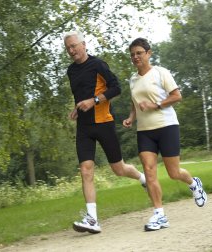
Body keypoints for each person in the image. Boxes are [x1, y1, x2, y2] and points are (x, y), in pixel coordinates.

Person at [63, 30, 146, 234]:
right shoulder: (70, 71)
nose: (71, 50)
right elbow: (81, 94)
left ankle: (141, 177)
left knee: (118, 169)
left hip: (103, 123)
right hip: (84, 127)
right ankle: (92, 219)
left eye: (74, 46)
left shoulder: (98, 64)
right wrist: (77, 107)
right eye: (68, 48)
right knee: (86, 170)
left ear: (83, 44)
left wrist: (94, 101)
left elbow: (116, 88)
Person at [123, 37, 208, 231]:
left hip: (166, 126)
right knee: (149, 172)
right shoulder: (133, 79)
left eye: (139, 53)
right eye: (132, 54)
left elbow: (177, 95)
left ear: (148, 53)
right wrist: (131, 117)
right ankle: (160, 215)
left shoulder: (161, 73)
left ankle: (193, 183)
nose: (135, 57)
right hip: (144, 132)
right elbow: (135, 102)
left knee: (174, 173)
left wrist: (156, 105)